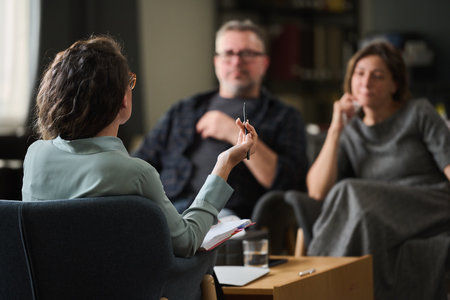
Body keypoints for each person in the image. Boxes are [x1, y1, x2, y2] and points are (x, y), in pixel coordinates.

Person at [21, 35, 258, 258]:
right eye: (129, 82)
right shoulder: (136, 174)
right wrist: (224, 164)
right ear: (123, 100)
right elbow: (187, 242)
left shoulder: (35, 155)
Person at [306, 41, 450, 299]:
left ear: (395, 84)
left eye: (378, 75)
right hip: (379, 217)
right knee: (353, 201)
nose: (366, 81)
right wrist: (336, 128)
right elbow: (317, 191)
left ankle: (315, 283)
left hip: (431, 206)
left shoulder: (419, 112)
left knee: (350, 190)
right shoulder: (350, 131)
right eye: (360, 74)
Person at [133, 20, 308, 219]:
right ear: (216, 61)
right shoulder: (184, 109)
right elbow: (139, 163)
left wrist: (233, 133)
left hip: (229, 214)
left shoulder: (284, 116)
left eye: (247, 53)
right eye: (228, 54)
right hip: (168, 208)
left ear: (264, 63)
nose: (236, 62)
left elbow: (291, 184)